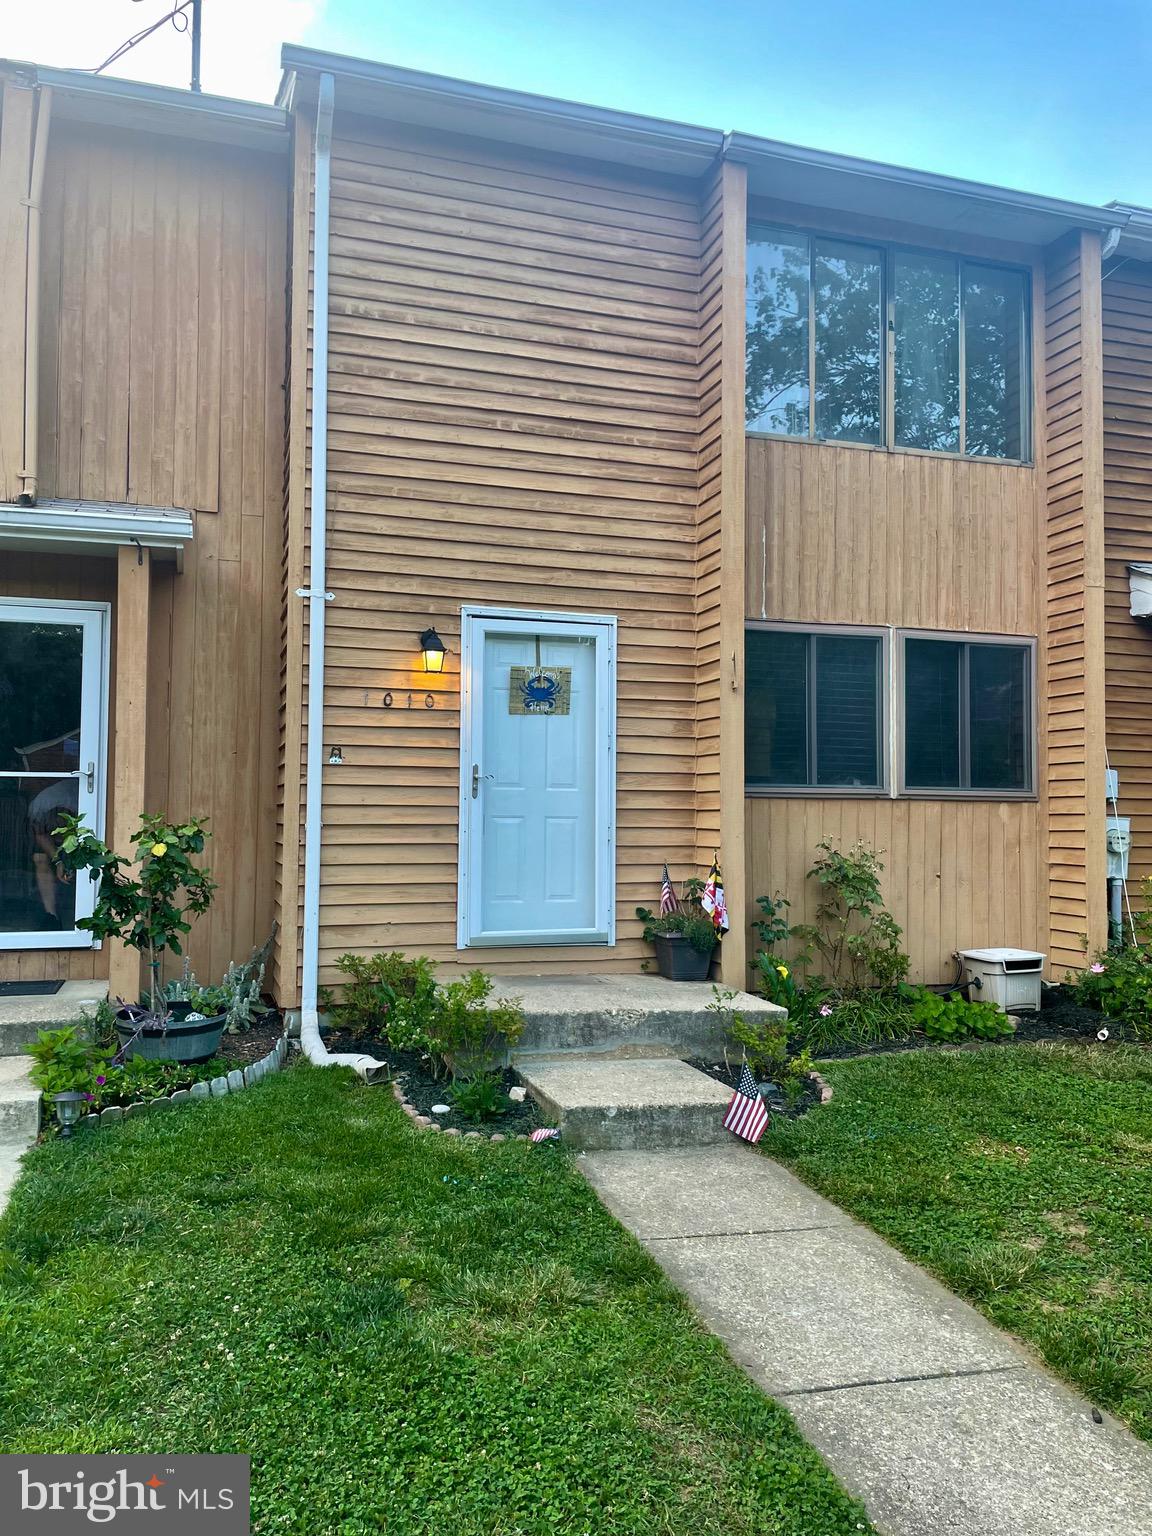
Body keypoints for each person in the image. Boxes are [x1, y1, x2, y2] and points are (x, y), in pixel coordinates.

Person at [27, 777, 78, 928]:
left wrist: (72, 861)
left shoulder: (81, 801)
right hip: (49, 832)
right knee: (40, 858)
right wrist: (58, 861)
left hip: (80, 835)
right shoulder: (39, 806)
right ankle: (51, 917)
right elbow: (40, 834)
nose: (59, 838)